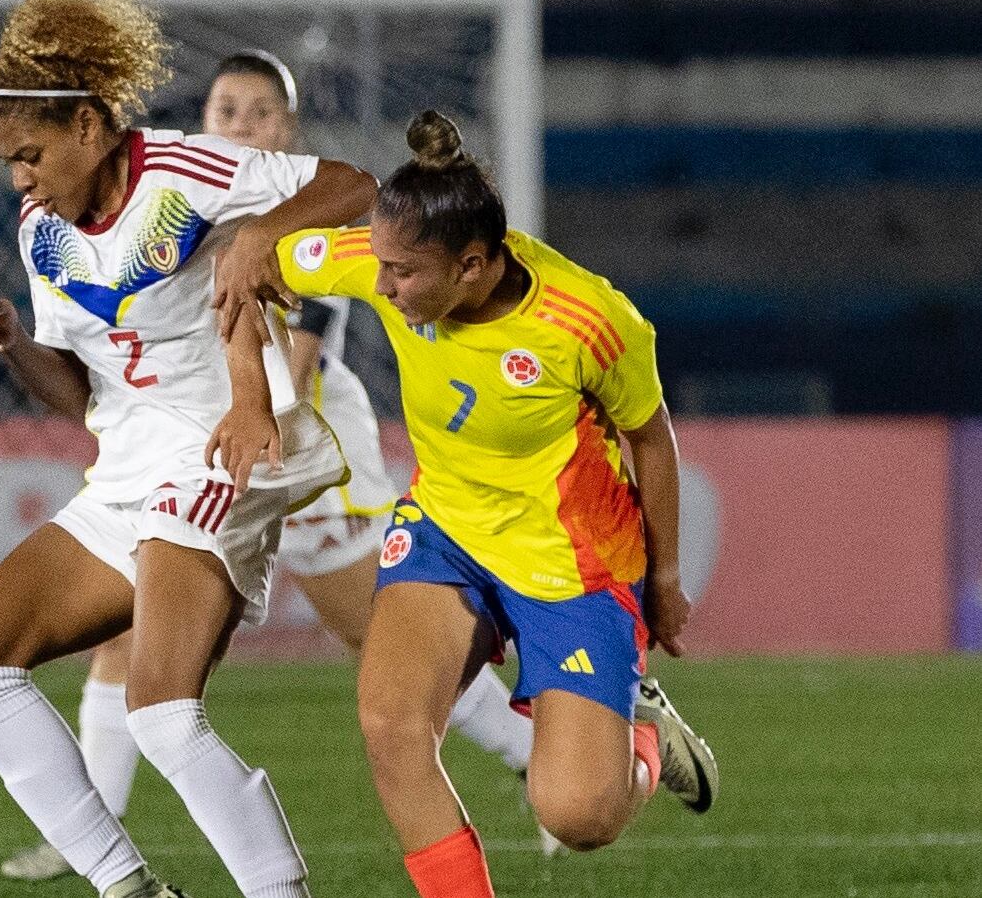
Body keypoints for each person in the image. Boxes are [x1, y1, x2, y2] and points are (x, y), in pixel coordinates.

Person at [2, 52, 553, 883]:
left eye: (262, 113)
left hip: (295, 445)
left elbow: (292, 364)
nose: (241, 123)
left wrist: (229, 446)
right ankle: (93, 825)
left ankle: (537, 750)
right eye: (227, 107)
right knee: (125, 640)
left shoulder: (305, 227)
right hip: (219, 446)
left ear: (285, 131)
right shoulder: (187, 205)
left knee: (374, 635)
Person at [0, 0, 377, 898]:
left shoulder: (186, 171)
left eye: (31, 154)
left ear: (90, 128)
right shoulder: (43, 232)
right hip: (131, 465)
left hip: (222, 444)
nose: (19, 178)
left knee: (163, 711)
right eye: (8, 161)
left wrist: (264, 233)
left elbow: (354, 187)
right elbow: (83, 399)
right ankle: (128, 888)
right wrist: (15, 343)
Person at [243, 111, 719, 898]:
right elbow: (254, 265)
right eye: (381, 265)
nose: (382, 287)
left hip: (571, 564)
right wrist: (247, 381)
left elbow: (653, 441)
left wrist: (664, 583)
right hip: (447, 532)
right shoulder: (385, 261)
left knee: (575, 815)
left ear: (472, 265)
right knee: (391, 723)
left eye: (403, 274)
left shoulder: (590, 320)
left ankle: (639, 741)